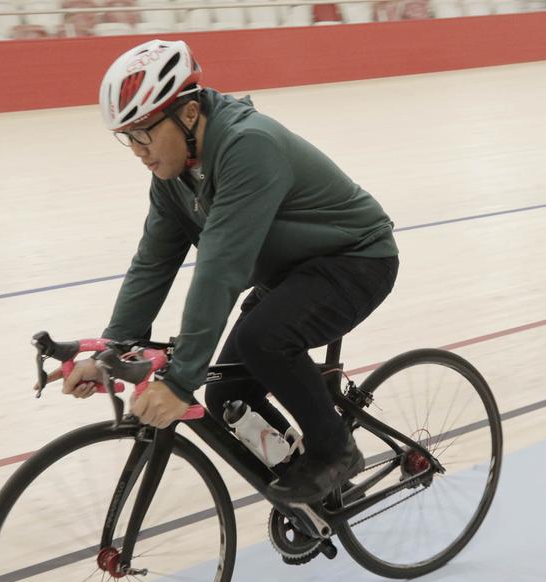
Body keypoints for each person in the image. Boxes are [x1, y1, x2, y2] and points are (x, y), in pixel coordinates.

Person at [52, 39, 400, 505]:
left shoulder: (249, 146)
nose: (137, 150)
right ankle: (326, 502)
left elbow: (220, 267)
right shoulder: (173, 174)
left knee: (263, 340)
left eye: (144, 133)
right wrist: (113, 348)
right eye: (127, 137)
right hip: (291, 274)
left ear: (189, 113)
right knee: (227, 394)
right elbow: (152, 263)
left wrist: (180, 382)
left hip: (356, 260)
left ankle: (336, 451)